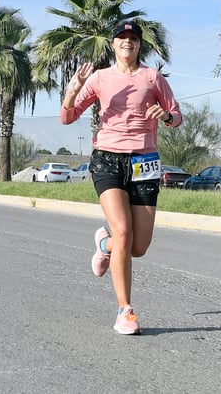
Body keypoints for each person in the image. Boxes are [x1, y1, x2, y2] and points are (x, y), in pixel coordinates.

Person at [60, 21, 182, 335]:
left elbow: (176, 116)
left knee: (137, 247)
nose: (128, 42)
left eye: (133, 38)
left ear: (139, 45)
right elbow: (67, 116)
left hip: (145, 163)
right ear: (113, 44)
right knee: (124, 231)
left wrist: (166, 116)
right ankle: (124, 311)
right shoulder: (99, 78)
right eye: (122, 37)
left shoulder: (152, 77)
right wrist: (73, 90)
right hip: (108, 161)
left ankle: (104, 244)